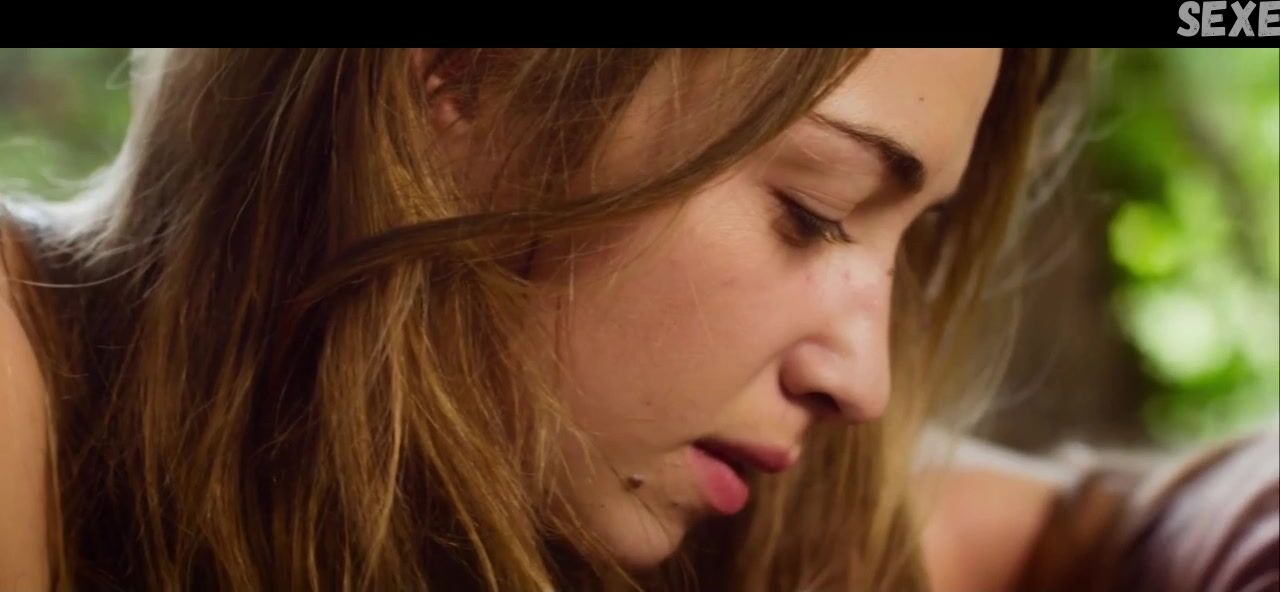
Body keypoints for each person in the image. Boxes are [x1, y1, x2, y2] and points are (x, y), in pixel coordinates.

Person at [0, 48, 1273, 591]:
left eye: (908, 239)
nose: (862, 381)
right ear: (458, 69)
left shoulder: (735, 507)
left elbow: (1125, 521)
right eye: (815, 211)